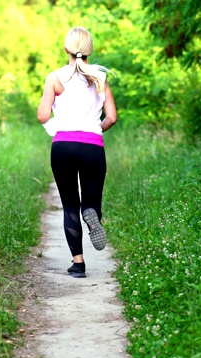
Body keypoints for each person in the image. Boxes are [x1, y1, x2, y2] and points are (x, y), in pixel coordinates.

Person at [37, 27, 118, 278]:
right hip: (92, 146)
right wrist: (97, 129)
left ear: (66, 49)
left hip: (63, 147)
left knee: (69, 205)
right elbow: (112, 118)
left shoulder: (55, 78)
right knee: (90, 202)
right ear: (90, 50)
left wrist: (55, 127)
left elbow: (42, 115)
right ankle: (91, 214)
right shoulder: (100, 79)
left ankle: (78, 264)